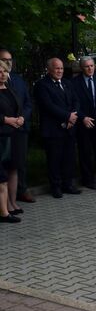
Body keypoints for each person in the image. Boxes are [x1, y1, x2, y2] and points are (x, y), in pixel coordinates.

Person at [34, 57, 80, 198]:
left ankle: (68, 184)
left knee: (69, 158)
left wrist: (73, 116)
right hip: (53, 130)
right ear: (49, 69)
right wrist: (67, 116)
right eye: (56, 68)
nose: (59, 71)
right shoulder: (42, 85)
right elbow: (48, 106)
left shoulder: (67, 83)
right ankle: (56, 187)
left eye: (61, 68)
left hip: (69, 128)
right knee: (54, 159)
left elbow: (76, 100)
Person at [0, 49, 34, 203]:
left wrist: (22, 118)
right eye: (4, 59)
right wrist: (7, 120)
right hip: (4, 130)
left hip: (20, 128)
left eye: (10, 59)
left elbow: (27, 102)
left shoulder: (18, 80)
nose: (8, 62)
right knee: (5, 166)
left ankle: (18, 195)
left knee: (18, 164)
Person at [72, 57, 96, 188]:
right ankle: (88, 180)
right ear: (82, 68)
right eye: (87, 66)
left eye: (92, 66)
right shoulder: (75, 83)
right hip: (84, 122)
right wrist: (83, 117)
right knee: (85, 152)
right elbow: (74, 103)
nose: (90, 69)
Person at [0, 60, 24, 222]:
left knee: (11, 169)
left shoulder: (9, 89)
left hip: (13, 135)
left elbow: (19, 106)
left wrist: (21, 117)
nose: (2, 74)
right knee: (1, 176)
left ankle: (9, 206)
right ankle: (3, 213)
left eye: (4, 71)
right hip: (0, 136)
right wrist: (5, 120)